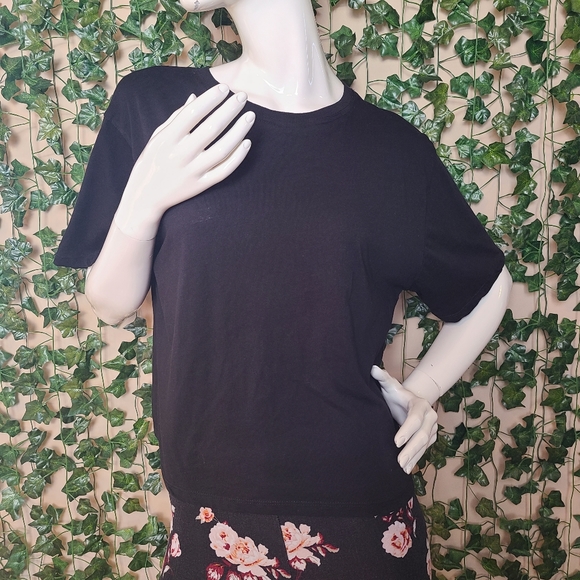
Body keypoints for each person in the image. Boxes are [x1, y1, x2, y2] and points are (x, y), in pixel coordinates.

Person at [54, 0, 512, 578]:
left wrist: (423, 390)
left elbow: (486, 286)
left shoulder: (395, 153)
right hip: (209, 517)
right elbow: (111, 302)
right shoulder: (160, 107)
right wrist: (143, 202)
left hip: (365, 510)